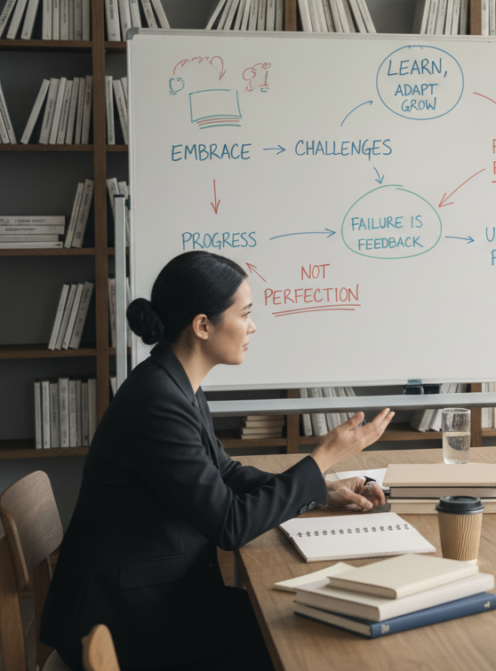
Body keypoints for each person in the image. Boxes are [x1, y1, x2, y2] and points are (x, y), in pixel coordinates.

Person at [41, 251, 395, 670]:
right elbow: (230, 525)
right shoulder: (158, 401)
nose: (253, 326)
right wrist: (321, 460)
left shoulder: (174, 381)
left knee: (301, 621)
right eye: (244, 314)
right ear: (203, 326)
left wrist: (320, 490)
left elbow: (223, 473)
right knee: (308, 643)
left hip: (154, 593)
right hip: (128, 621)